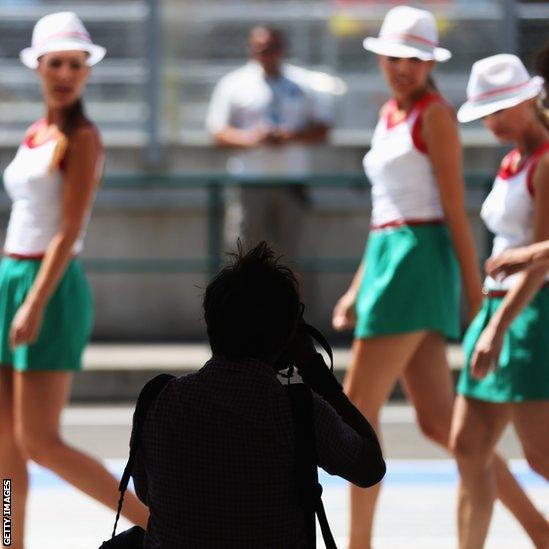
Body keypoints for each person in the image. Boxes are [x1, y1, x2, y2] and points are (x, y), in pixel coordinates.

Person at [331, 6, 549, 548]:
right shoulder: (390, 114)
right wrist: (360, 285)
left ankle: (358, 544)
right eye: (395, 57)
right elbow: (382, 212)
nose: (403, 67)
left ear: (430, 64)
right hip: (389, 256)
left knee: (357, 410)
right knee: (442, 426)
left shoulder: (435, 115)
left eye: (416, 58)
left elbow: (454, 211)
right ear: (380, 58)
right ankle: (540, 531)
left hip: (418, 260)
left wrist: (477, 302)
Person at [0, 12, 148, 548]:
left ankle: (159, 522)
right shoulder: (37, 132)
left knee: (39, 442)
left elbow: (67, 230)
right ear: (38, 67)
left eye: (75, 64)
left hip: (49, 287)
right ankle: (8, 539)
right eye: (56, 63)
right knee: (4, 446)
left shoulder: (84, 137)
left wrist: (35, 301)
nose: (65, 73)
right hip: (12, 278)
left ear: (86, 72)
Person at [131, 242, 386, 548]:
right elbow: (370, 468)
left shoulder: (160, 401)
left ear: (212, 322)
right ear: (288, 335)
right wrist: (318, 375)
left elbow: (148, 494)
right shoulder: (298, 410)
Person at [451, 53, 549, 549]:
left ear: (531, 99)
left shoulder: (546, 160)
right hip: (499, 310)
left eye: (502, 108)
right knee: (468, 446)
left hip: (531, 314)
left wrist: (498, 327)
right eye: (487, 111)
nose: (493, 120)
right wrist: (490, 321)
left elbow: (542, 261)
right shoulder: (513, 159)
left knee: (541, 456)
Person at [206, 26, 331, 264]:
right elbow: (217, 132)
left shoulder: (303, 82)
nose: (266, 55)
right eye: (260, 49)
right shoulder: (234, 83)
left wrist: (291, 136)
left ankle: (293, 302)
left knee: (292, 259)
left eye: (272, 49)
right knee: (244, 259)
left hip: (292, 183)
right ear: (251, 51)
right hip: (250, 184)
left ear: (283, 50)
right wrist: (253, 138)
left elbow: (323, 129)